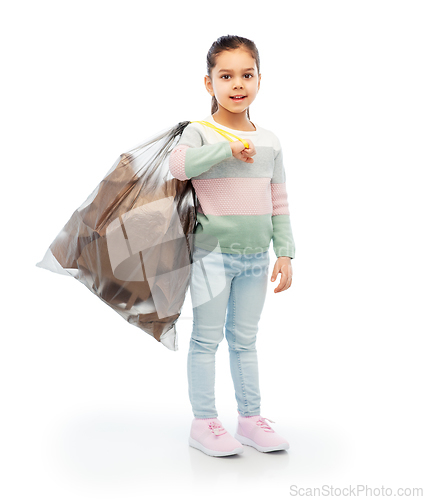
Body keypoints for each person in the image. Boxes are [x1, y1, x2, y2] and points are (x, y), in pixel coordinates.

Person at [168, 35, 296, 457]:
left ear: (260, 79)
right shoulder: (200, 131)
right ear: (209, 84)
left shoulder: (271, 140)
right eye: (226, 76)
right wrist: (225, 147)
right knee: (206, 339)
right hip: (212, 256)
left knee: (245, 339)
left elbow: (278, 198)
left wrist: (285, 252)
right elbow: (179, 166)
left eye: (247, 74)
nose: (237, 84)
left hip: (257, 258)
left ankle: (249, 420)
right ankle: (204, 423)